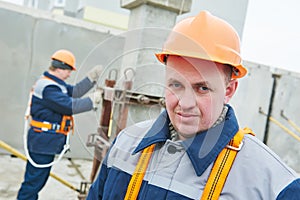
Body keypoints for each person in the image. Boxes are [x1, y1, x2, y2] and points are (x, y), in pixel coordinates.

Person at [87, 11, 300, 199]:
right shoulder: (125, 144)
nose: (185, 104)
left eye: (202, 88)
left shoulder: (273, 185)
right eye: (176, 85)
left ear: (229, 90)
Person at [17, 49, 103, 200]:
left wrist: (91, 79)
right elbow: (68, 106)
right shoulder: (48, 87)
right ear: (59, 68)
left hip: (45, 141)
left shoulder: (54, 84)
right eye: (69, 70)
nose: (70, 74)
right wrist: (92, 100)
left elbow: (75, 92)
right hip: (42, 142)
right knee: (33, 183)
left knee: (37, 180)